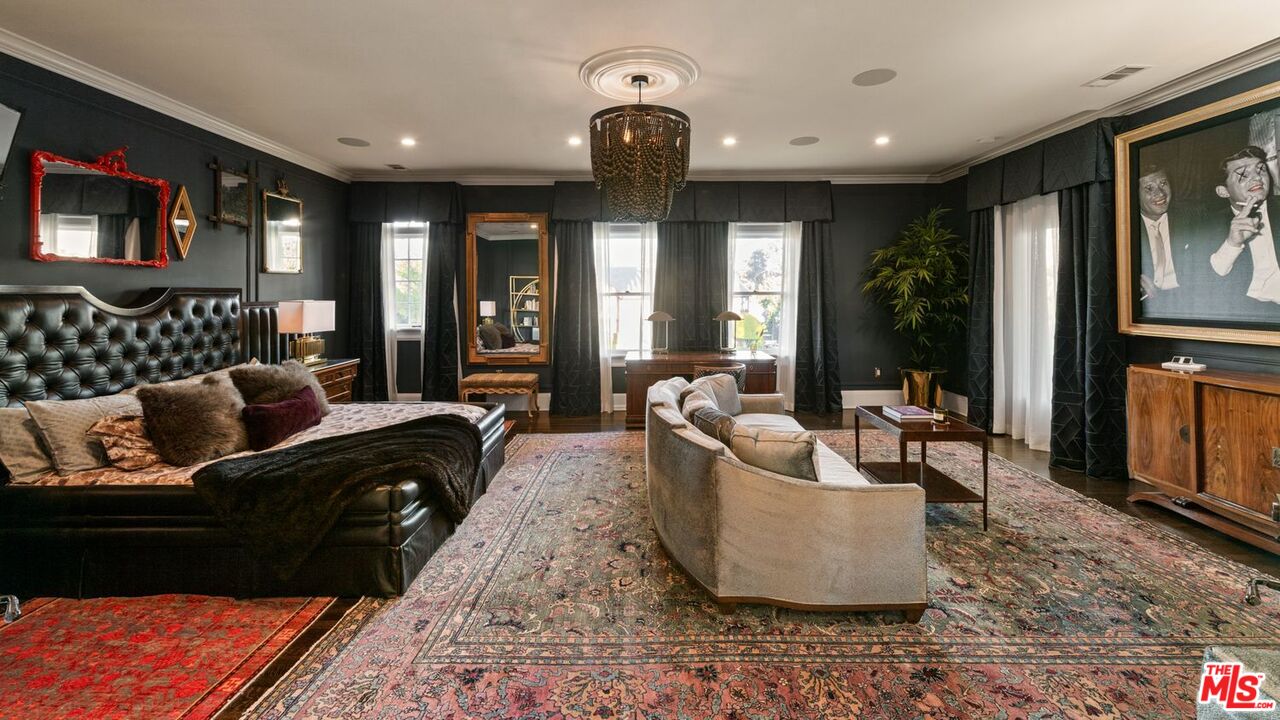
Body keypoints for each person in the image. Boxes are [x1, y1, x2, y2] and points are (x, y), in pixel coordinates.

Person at [1208, 146, 1280, 309]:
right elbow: (1206, 285)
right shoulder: (1205, 225)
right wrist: (1232, 244)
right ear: (1223, 191)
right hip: (1246, 312)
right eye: (1243, 174)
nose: (1257, 178)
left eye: (1261, 169)